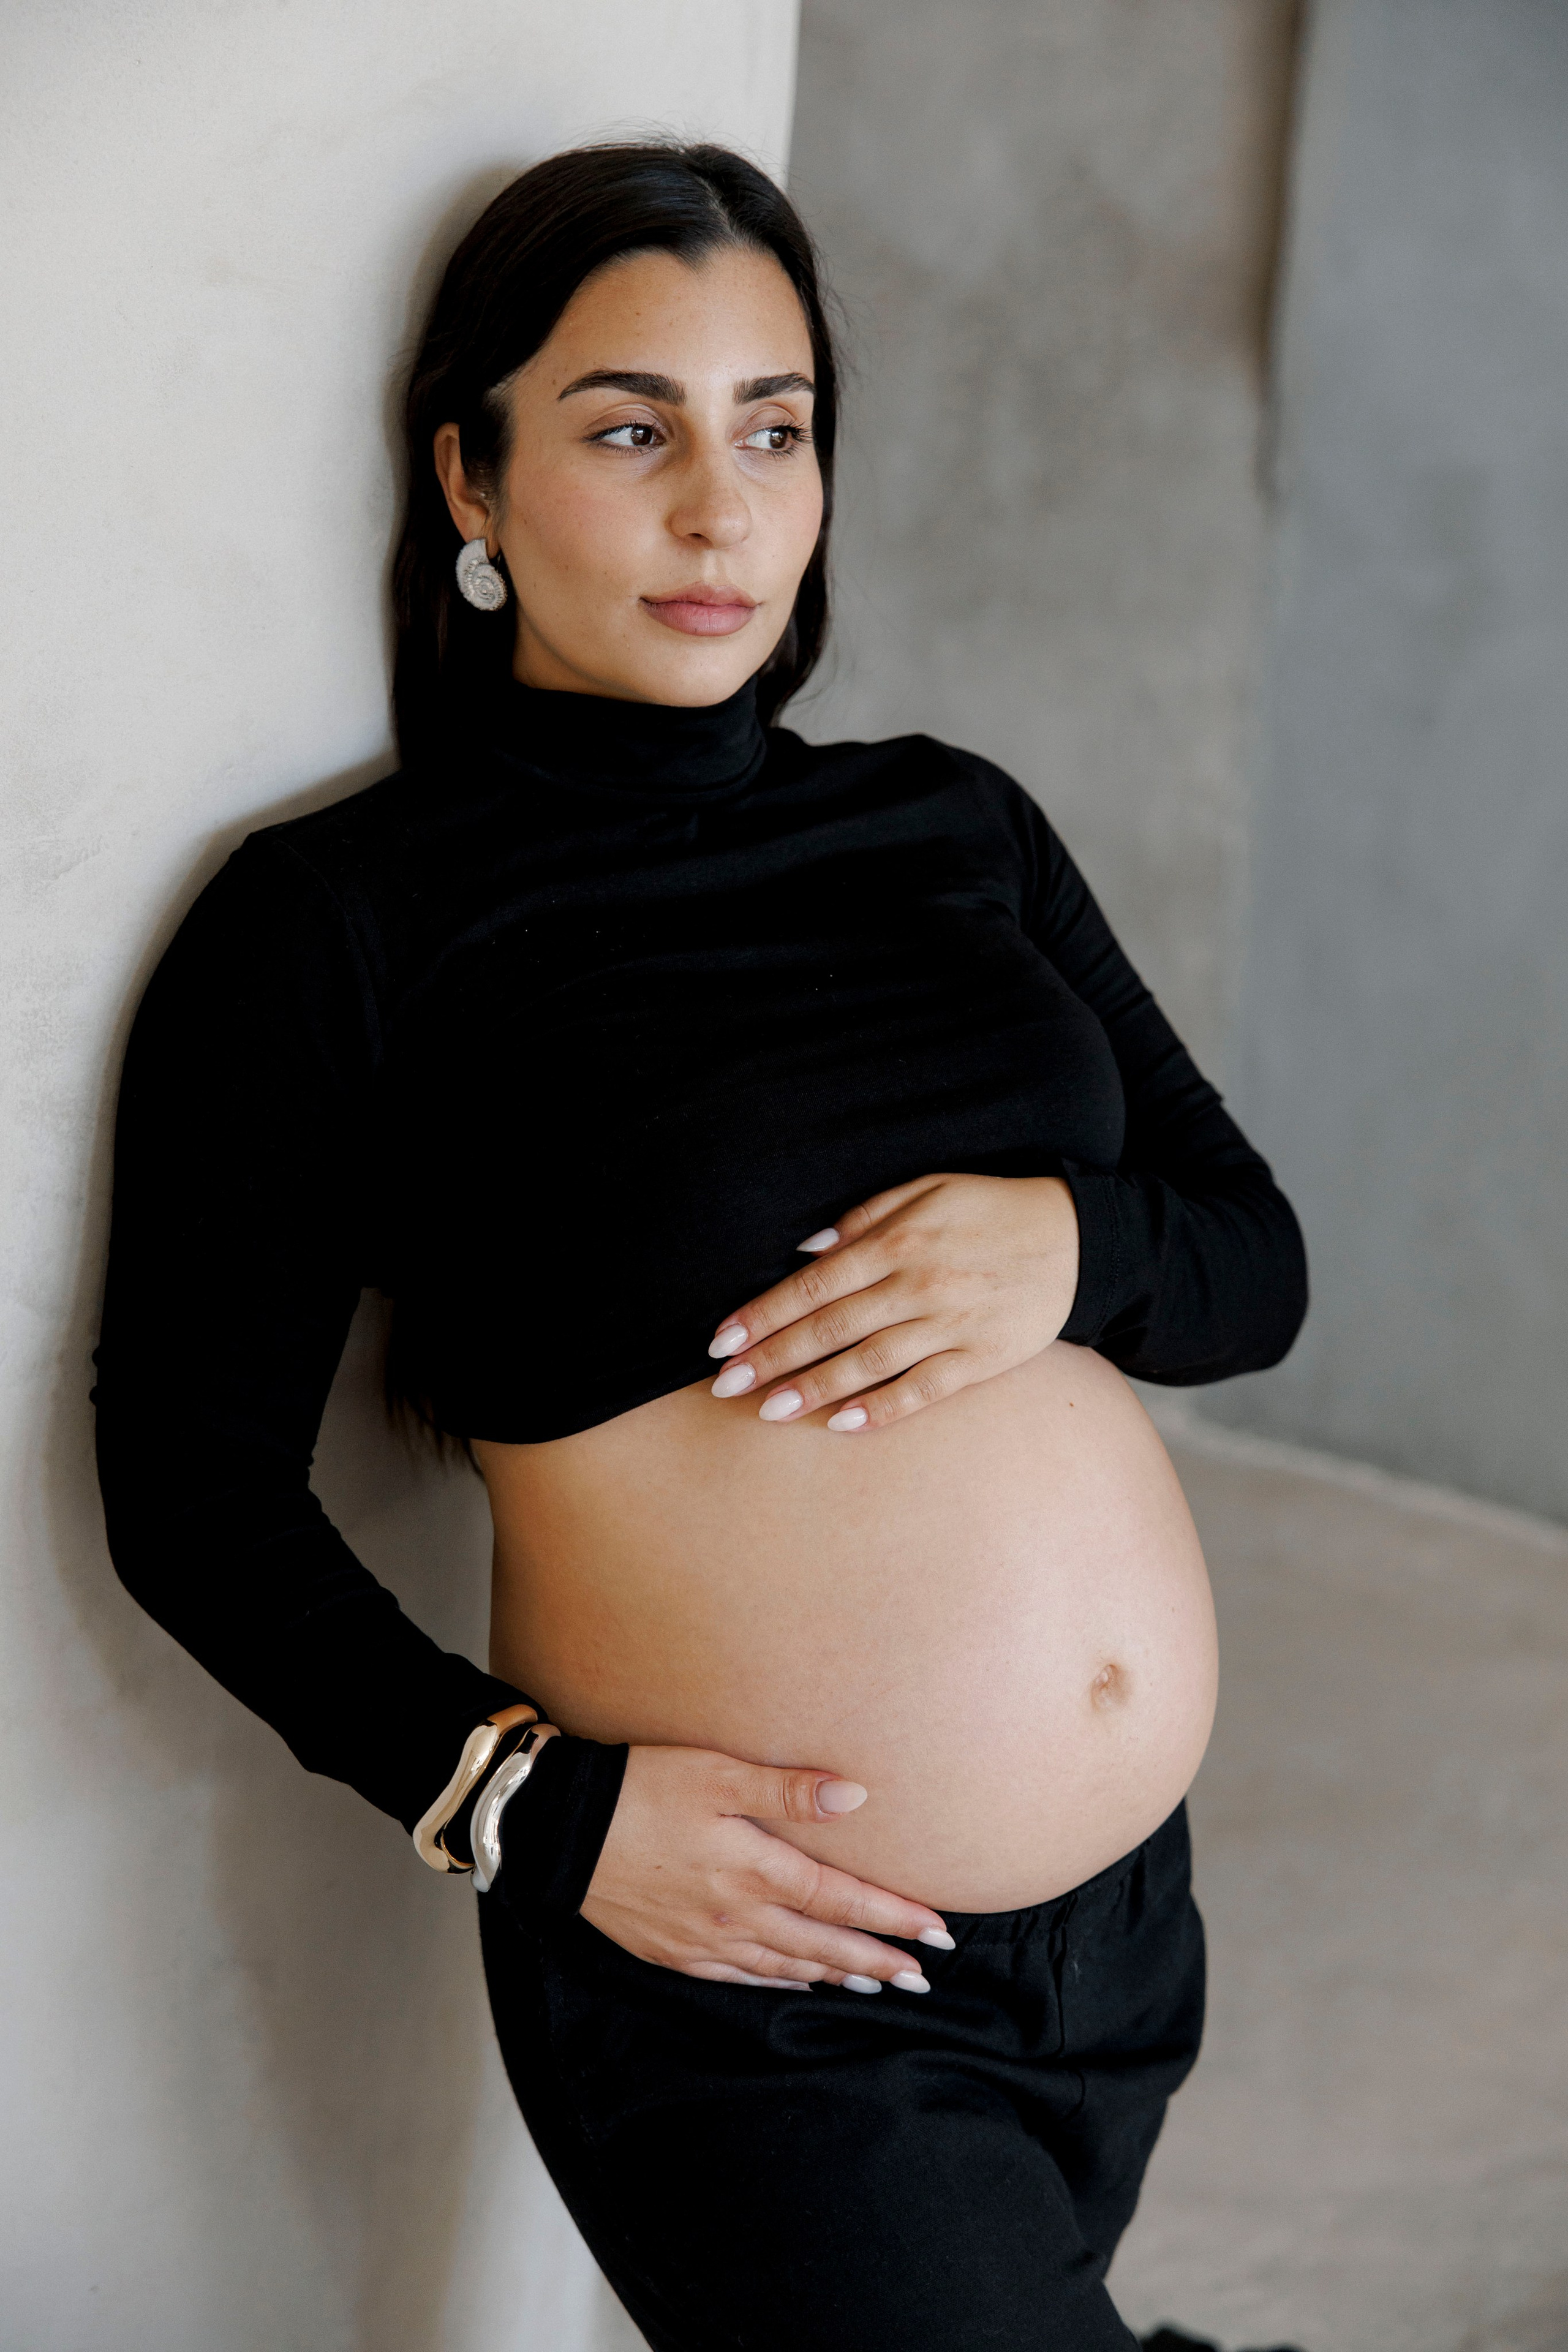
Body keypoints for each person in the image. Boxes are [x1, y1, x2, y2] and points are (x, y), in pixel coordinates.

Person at [94, 141, 1306, 2350]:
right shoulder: (342, 930)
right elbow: (188, 1493)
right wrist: (529, 1817)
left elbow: (1253, 1262)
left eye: (777, 427)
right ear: (469, 477)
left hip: (1117, 1933)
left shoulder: (955, 823)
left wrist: (1069, 1243)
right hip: (757, 1977)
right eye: (630, 429)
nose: (720, 509)